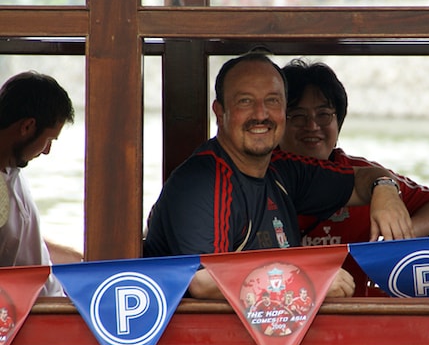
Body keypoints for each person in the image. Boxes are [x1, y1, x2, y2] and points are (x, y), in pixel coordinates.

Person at [143, 52, 414, 299]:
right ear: (220, 112)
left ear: (284, 111)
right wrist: (309, 278)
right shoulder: (202, 182)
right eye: (245, 101)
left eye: (272, 101)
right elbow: (203, 281)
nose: (260, 115)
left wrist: (385, 188)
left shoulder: (282, 169)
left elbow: (362, 180)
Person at [278, 58, 429, 296]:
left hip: (355, 315)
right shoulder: (260, 177)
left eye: (324, 114)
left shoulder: (365, 177)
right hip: (278, 314)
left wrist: (398, 235)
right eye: (298, 116)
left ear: (339, 123)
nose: (312, 126)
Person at [0, 71, 79, 296]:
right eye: (48, 140)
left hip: (48, 306)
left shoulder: (13, 171)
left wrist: (80, 259)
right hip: (21, 319)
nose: (46, 151)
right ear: (27, 127)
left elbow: (17, 241)